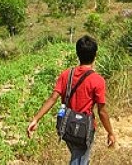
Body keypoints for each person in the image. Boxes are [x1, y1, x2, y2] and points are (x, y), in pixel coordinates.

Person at [27, 35, 116, 164]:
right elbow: (102, 111)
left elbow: (53, 99)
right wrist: (110, 132)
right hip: (84, 129)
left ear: (77, 53)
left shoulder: (66, 74)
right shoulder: (98, 80)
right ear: (95, 55)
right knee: (79, 160)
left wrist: (36, 119)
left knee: (79, 158)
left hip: (66, 126)